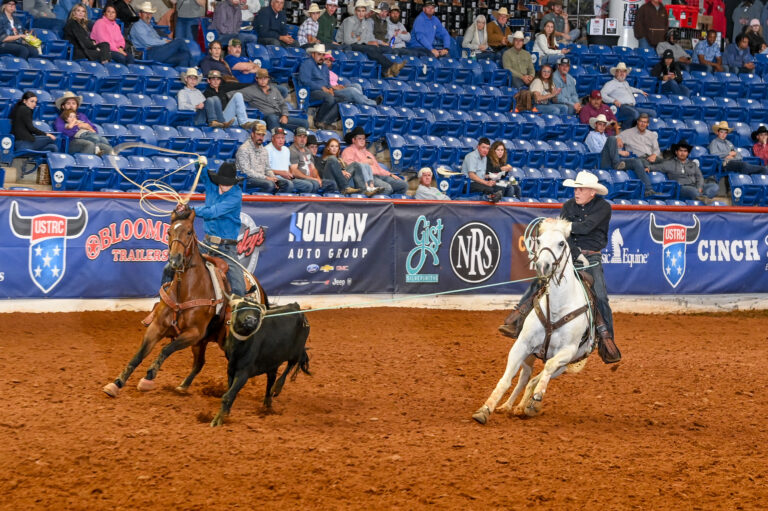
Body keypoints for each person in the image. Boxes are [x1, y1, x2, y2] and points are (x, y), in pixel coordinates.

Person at [498, 170, 621, 365]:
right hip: (569, 255)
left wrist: (561, 225)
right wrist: (575, 253)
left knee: (600, 296)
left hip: (592, 257)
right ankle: (517, 319)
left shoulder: (603, 207)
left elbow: (586, 227)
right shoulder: (568, 206)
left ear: (592, 192)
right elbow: (563, 237)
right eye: (576, 189)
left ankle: (607, 340)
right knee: (539, 281)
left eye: (581, 189)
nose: (576, 192)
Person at [188, 161, 247, 296]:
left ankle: (241, 304)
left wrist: (191, 209)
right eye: (223, 182)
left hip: (226, 248)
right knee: (173, 267)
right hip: (206, 244)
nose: (225, 185)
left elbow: (213, 212)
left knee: (238, 287)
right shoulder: (212, 185)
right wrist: (200, 162)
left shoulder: (235, 195)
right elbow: (202, 171)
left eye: (228, 183)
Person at [585, 114, 656, 196]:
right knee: (612, 138)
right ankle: (617, 163)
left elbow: (612, 150)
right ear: (595, 124)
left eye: (604, 125)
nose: (602, 127)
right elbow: (597, 151)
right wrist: (619, 152)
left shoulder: (604, 136)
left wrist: (619, 151)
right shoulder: (591, 135)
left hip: (613, 159)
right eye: (600, 124)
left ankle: (648, 189)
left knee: (635, 161)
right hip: (602, 160)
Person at [335, 1, 406, 78]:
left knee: (375, 48)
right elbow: (347, 41)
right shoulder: (350, 21)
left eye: (363, 11)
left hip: (357, 43)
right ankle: (391, 67)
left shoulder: (363, 22)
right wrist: (357, 38)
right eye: (359, 11)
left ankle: (386, 70)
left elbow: (363, 38)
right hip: (345, 44)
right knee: (370, 49)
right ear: (355, 11)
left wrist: (356, 38)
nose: (361, 13)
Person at [342, 126, 408, 195]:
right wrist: (364, 162)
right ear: (353, 140)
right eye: (359, 138)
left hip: (380, 176)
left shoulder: (368, 153)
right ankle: (370, 198)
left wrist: (390, 174)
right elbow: (350, 166)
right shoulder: (348, 151)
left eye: (364, 139)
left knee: (403, 185)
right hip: (367, 177)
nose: (362, 140)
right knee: (387, 188)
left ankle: (390, 199)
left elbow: (379, 169)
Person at [239, 68, 308, 132]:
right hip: (265, 118)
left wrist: (284, 115)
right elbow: (234, 94)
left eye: (265, 78)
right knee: (272, 118)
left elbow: (283, 104)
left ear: (268, 79)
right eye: (260, 78)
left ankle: (290, 136)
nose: (263, 81)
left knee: (305, 123)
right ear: (256, 79)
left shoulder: (274, 89)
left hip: (279, 117)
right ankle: (277, 135)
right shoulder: (250, 90)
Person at [648, 140, 718, 202]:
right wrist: (649, 168)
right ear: (676, 152)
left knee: (714, 186)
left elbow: (699, 177)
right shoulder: (669, 163)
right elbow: (658, 167)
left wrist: (700, 187)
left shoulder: (693, 164)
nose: (683, 153)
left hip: (695, 186)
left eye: (685, 151)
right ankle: (702, 199)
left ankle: (703, 198)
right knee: (693, 191)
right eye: (681, 151)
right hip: (681, 187)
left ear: (687, 153)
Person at [130, 2, 195, 67]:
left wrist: (166, 41)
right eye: (145, 13)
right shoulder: (138, 25)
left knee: (184, 56)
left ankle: (185, 72)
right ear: (140, 14)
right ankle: (193, 67)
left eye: (150, 13)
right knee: (180, 41)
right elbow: (148, 42)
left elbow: (157, 38)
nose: (148, 15)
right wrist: (165, 42)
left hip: (158, 52)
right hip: (148, 53)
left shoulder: (149, 26)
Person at [298, 43, 341, 130]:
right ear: (313, 54)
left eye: (323, 55)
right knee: (329, 98)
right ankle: (318, 121)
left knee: (342, 98)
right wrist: (321, 88)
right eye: (319, 54)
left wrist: (330, 88)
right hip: (310, 92)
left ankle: (325, 122)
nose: (321, 57)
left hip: (323, 91)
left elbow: (327, 81)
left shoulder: (324, 66)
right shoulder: (307, 63)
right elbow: (305, 81)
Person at [236, 122, 287, 193]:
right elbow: (247, 172)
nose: (261, 137)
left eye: (263, 135)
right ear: (252, 134)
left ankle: (275, 199)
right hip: (246, 179)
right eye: (258, 134)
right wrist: (266, 178)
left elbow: (267, 169)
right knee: (270, 184)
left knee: (287, 184)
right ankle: (258, 199)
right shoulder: (244, 149)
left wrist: (274, 178)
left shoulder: (264, 150)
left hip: (262, 178)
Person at [600, 63, 655, 128]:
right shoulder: (611, 84)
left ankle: (642, 131)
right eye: (620, 71)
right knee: (635, 114)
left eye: (624, 71)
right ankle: (625, 129)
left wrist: (641, 91)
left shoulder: (625, 83)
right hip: (621, 107)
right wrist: (613, 100)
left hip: (632, 107)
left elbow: (631, 89)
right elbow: (602, 94)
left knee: (652, 113)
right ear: (616, 73)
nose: (622, 73)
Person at [266, 127, 316, 193]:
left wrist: (289, 174)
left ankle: (299, 199)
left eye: (283, 138)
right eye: (278, 138)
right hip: (275, 178)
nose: (281, 140)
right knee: (289, 184)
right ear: (272, 138)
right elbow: (265, 170)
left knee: (309, 185)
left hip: (287, 178)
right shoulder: (267, 150)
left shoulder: (286, 149)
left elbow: (289, 167)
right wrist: (281, 173)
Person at [288, 127, 337, 193]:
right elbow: (294, 172)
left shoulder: (307, 150)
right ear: (295, 138)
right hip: (300, 179)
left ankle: (323, 199)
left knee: (332, 184)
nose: (302, 139)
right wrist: (311, 178)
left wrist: (318, 178)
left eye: (304, 137)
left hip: (311, 179)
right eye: (300, 137)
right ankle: (310, 199)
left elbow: (313, 168)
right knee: (314, 184)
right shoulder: (292, 150)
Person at [461, 137, 509, 202]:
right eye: (483, 147)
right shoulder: (471, 156)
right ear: (478, 147)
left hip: (480, 183)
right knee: (490, 190)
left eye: (487, 148)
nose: (485, 150)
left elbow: (482, 175)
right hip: (469, 183)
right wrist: (486, 182)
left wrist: (490, 177)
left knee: (501, 188)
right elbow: (471, 175)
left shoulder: (485, 158)